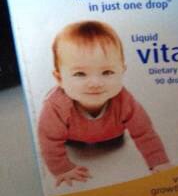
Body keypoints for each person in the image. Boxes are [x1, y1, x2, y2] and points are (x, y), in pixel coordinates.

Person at [38, 20, 170, 187]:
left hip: (114, 140)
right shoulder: (55, 106)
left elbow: (144, 133)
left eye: (107, 72)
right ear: (59, 79)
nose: (95, 83)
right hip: (73, 141)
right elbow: (48, 141)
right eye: (80, 74)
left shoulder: (124, 101)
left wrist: (159, 162)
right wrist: (62, 169)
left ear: (122, 71)